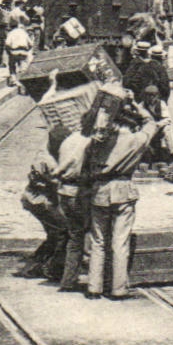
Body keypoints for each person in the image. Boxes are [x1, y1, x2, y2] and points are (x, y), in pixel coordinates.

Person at [85, 98, 167, 299]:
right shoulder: (135, 140)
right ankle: (118, 289)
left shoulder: (96, 141)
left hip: (100, 190)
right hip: (123, 190)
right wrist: (139, 106)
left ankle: (94, 287)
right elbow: (151, 124)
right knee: (120, 242)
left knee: (98, 241)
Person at [19, 128, 68, 280]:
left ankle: (37, 264)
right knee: (62, 231)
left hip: (43, 200)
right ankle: (47, 267)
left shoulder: (51, 153)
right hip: (38, 202)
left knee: (55, 234)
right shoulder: (44, 160)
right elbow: (54, 183)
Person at [53, 122, 95, 292]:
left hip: (64, 191)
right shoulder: (88, 142)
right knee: (93, 236)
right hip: (78, 192)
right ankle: (97, 280)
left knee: (74, 237)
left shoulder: (69, 139)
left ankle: (68, 280)